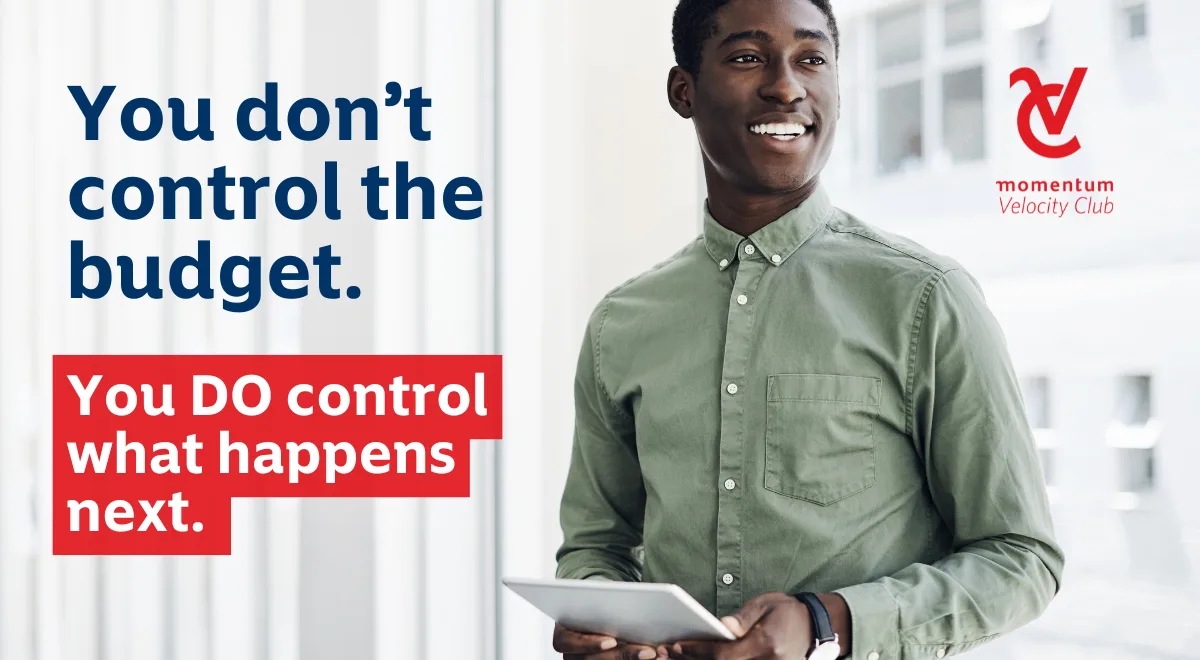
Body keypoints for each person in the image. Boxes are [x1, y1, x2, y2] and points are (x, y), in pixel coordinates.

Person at [551, 0, 1064, 658]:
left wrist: (828, 621)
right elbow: (598, 547)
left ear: (838, 93)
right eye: (747, 57)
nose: (786, 86)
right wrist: (598, 616)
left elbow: (1022, 558)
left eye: (812, 59)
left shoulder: (925, 298)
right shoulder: (622, 324)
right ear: (684, 92)